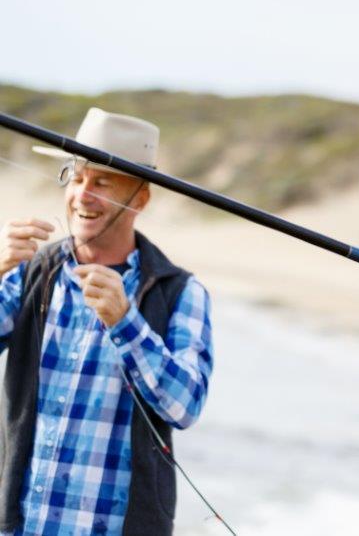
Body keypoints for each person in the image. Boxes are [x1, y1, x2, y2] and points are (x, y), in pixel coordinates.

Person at [0, 108, 213, 536]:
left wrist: (125, 322)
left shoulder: (181, 292)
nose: (83, 196)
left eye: (102, 183)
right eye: (77, 178)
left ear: (140, 199)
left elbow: (185, 406)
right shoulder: (29, 271)